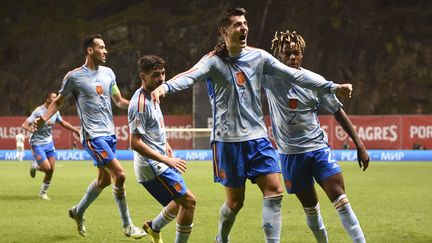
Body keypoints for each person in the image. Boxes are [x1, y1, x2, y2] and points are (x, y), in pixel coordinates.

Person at [151, 8, 353, 243]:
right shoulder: (213, 62)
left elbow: (294, 75)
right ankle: (222, 237)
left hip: (258, 138)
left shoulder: (259, 57)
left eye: (245, 23)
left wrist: (331, 87)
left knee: (275, 191)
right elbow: (189, 76)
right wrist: (165, 87)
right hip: (227, 142)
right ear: (224, 31)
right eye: (237, 24)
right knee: (235, 203)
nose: (244, 28)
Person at [33, 34, 146, 239]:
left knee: (103, 181)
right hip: (92, 136)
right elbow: (58, 102)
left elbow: (118, 100)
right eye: (101, 47)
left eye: (105, 47)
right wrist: (44, 117)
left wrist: (140, 105)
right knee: (119, 175)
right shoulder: (74, 77)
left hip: (110, 135)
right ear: (90, 50)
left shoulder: (109, 73)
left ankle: (78, 211)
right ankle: (127, 225)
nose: (105, 51)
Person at [266, 30, 370, 242]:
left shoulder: (315, 81)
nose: (292, 57)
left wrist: (359, 145)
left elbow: (337, 112)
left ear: (302, 55)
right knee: (311, 210)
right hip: (290, 156)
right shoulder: (269, 78)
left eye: (296, 53)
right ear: (279, 56)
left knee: (341, 200)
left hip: (318, 150)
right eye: (287, 54)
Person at [128, 55, 196, 243]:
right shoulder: (139, 103)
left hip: (159, 162)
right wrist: (166, 160)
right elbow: (135, 142)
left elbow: (154, 128)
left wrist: (165, 145)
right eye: (156, 75)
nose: (161, 79)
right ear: (143, 76)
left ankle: (153, 227)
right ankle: (155, 227)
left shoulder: (155, 95)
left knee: (179, 203)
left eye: (163, 73)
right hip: (152, 166)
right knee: (188, 202)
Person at [22, 92, 80, 200]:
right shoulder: (39, 111)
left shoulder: (55, 111)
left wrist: (75, 130)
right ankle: (35, 166)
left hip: (48, 143)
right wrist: (31, 129)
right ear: (48, 100)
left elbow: (63, 123)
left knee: (51, 169)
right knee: (47, 168)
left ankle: (43, 193)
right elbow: (25, 124)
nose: (57, 98)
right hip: (37, 144)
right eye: (54, 97)